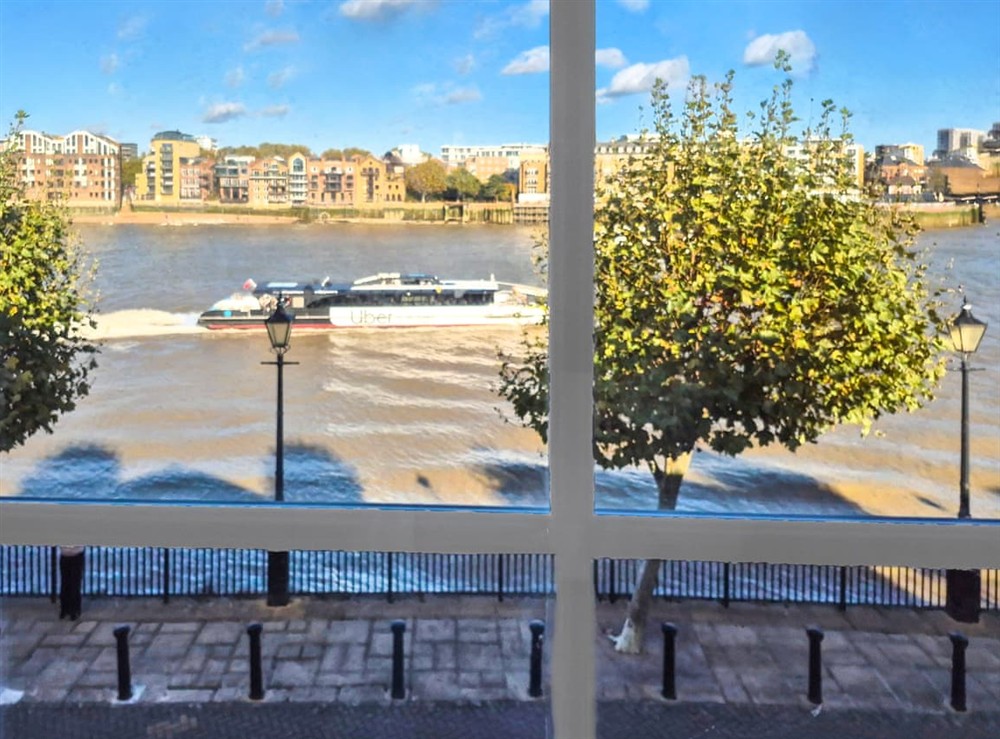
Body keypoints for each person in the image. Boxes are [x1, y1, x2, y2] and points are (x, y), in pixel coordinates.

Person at [58, 545, 85, 620]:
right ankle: (74, 610)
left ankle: (65, 609)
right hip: (76, 554)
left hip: (65, 554)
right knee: (75, 583)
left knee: (66, 583)